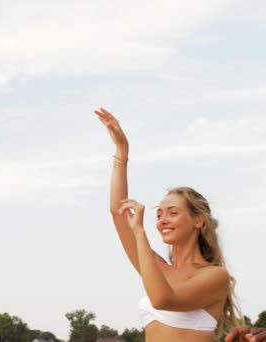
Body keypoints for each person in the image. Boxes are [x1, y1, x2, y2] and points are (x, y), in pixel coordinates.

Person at [95, 108, 242, 341]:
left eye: (172, 213)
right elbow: (117, 212)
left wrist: (140, 232)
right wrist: (122, 152)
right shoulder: (158, 269)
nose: (162, 219)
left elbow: (163, 300)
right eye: (159, 214)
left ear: (198, 220)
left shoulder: (215, 276)